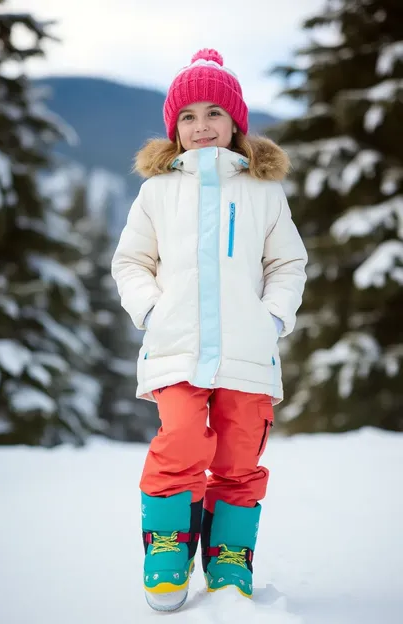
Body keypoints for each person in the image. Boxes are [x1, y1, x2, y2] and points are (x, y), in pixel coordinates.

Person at [111, 48, 308, 612]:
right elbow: (131, 262)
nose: (201, 126)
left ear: (235, 122)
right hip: (175, 349)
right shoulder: (157, 191)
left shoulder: (263, 190)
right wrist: (152, 312)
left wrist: (272, 317)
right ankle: (168, 547)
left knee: (239, 453)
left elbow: (286, 264)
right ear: (175, 127)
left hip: (248, 352)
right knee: (179, 441)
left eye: (213, 114)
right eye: (189, 117)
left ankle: (228, 553)